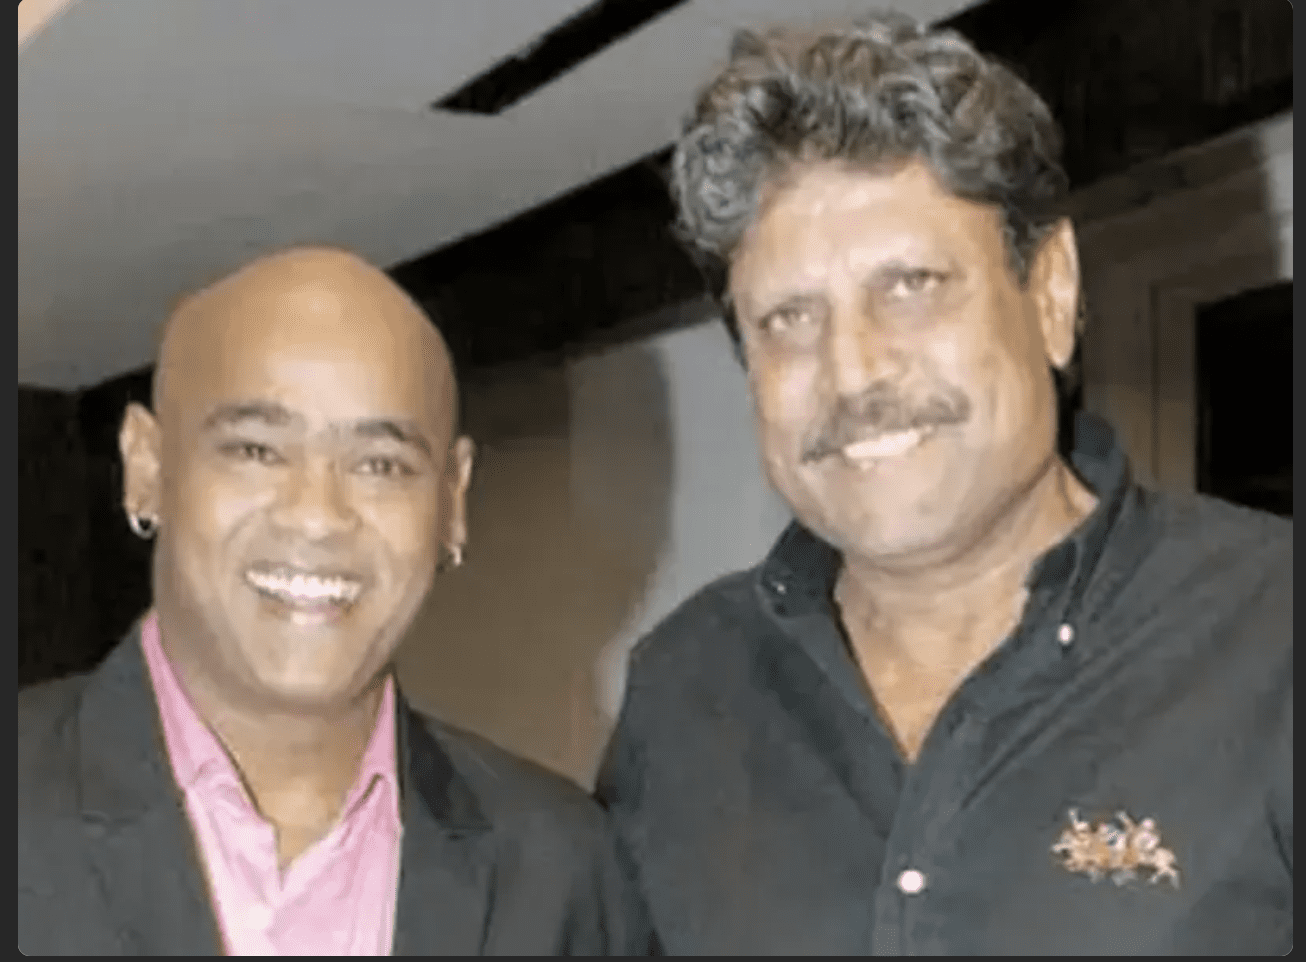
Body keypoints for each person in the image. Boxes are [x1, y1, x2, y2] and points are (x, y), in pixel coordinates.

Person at [594, 11, 1292, 956]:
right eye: (789, 317)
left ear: (1052, 293)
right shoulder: (686, 687)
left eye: (911, 286)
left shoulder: (1272, 635)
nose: (853, 372)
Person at [18, 247, 657, 956]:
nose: (317, 515)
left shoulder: (560, 869)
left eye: (380, 464)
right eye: (256, 450)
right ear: (146, 466)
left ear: (451, 502)